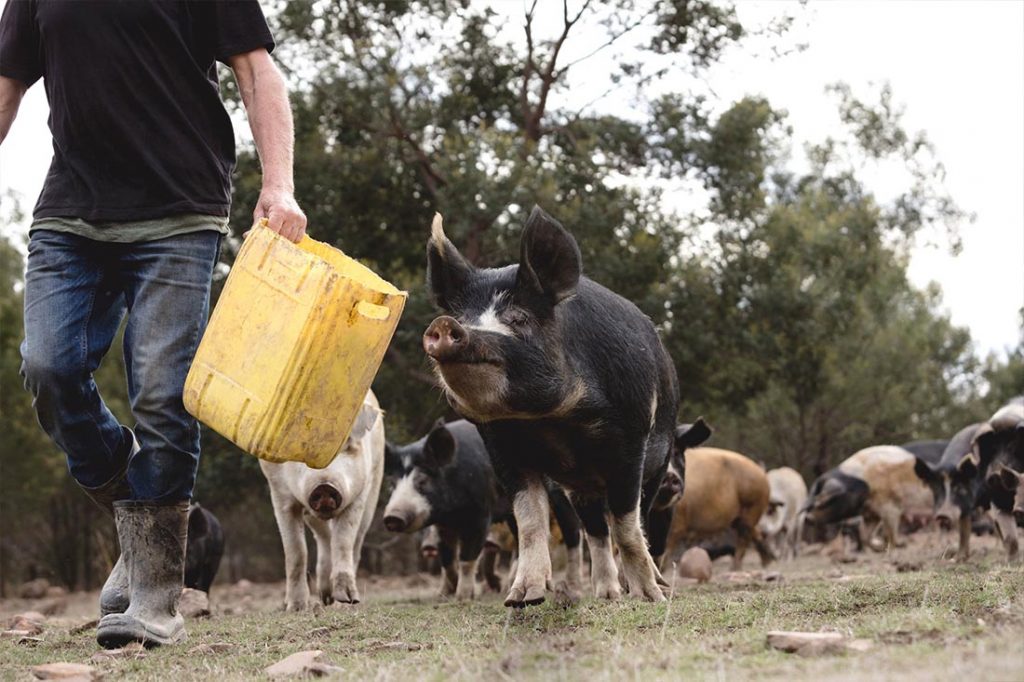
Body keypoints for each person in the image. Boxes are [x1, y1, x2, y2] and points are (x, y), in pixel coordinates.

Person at [0, 0, 305, 648]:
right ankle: (148, 526)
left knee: (164, 392)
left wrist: (279, 184)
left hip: (179, 208)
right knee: (49, 366)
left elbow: (257, 71)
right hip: (71, 211)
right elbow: (7, 83)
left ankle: (157, 593)